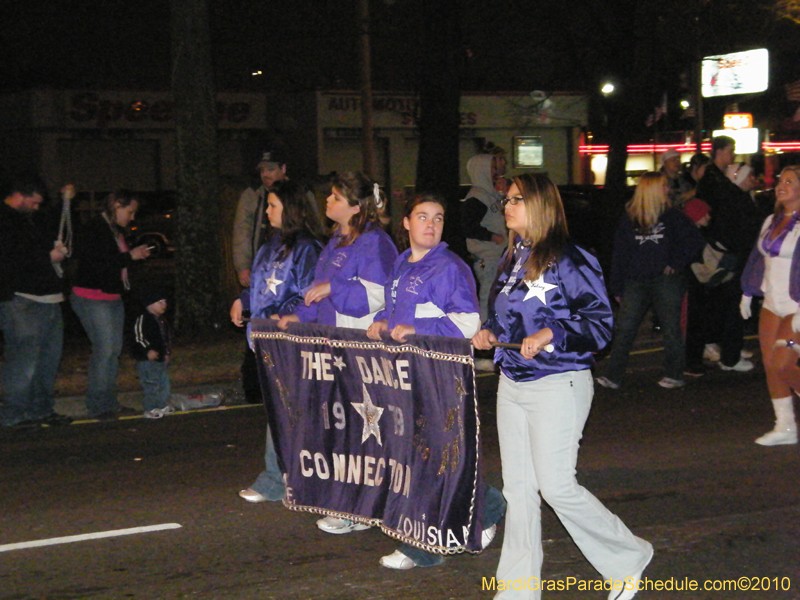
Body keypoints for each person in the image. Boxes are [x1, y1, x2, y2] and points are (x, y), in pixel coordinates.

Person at [472, 173, 653, 600]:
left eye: (517, 199)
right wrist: (489, 332)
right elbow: (506, 315)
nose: (507, 207)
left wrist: (551, 333)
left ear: (540, 204)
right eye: (507, 200)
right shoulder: (514, 256)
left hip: (558, 383)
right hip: (513, 382)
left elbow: (600, 324)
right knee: (519, 490)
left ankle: (628, 557)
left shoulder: (571, 257)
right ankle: (517, 590)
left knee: (556, 487)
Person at [366, 193, 505, 569]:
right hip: (406, 376)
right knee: (418, 458)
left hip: (440, 378)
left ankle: (427, 545)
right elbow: (399, 314)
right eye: (423, 217)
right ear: (407, 223)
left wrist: (416, 329)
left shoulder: (449, 267)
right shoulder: (401, 263)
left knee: (432, 459)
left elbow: (468, 323)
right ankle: (485, 507)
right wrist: (382, 321)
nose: (431, 224)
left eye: (438, 218)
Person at [278, 171, 398, 532]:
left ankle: (361, 506)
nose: (327, 202)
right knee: (344, 427)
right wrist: (299, 317)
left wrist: (335, 287)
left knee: (366, 431)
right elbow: (319, 291)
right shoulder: (336, 241)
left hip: (363, 351)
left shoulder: (375, 243)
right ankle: (355, 504)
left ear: (356, 207)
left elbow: (378, 296)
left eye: (335, 197)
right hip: (336, 347)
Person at [230, 179, 325, 502]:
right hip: (268, 340)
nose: (267, 211)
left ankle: (278, 479)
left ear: (291, 208)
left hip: (289, 341)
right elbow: (261, 283)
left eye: (273, 205)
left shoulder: (307, 248)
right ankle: (292, 478)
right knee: (283, 410)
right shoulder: (271, 244)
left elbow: (310, 294)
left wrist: (282, 316)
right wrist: (243, 299)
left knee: (286, 411)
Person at [597, 172, 704, 390]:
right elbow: (620, 253)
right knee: (625, 328)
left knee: (671, 327)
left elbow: (694, 240)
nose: (668, 190)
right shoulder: (631, 217)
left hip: (665, 279)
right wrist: (617, 286)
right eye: (664, 186)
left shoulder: (672, 216)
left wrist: (675, 262)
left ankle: (674, 373)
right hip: (635, 280)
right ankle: (613, 376)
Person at [70, 190, 150, 420]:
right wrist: (129, 256)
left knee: (112, 351)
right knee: (104, 351)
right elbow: (98, 263)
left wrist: (131, 259)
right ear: (116, 205)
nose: (132, 217)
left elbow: (114, 264)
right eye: (130, 212)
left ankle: (108, 402)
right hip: (92, 296)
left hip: (111, 297)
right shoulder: (96, 228)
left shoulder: (114, 230)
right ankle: (98, 404)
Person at [0, 177, 72, 428]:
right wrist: (47, 257)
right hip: (22, 299)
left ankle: (41, 409)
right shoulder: (5, 220)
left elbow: (49, 224)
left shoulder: (29, 219)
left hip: (49, 296)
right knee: (23, 360)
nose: (36, 207)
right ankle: (13, 413)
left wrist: (64, 202)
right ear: (19, 195)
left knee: (48, 360)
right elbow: (11, 258)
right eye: (34, 202)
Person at [740, 165, 800, 446]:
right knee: (770, 365)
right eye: (780, 181)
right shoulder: (770, 220)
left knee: (783, 363)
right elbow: (758, 258)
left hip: (795, 305)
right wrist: (748, 292)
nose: (781, 186)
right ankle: (785, 427)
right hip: (771, 303)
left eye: (789, 181)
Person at [696, 136, 762, 372]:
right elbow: (731, 226)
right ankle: (729, 355)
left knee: (727, 304)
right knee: (730, 304)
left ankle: (728, 349)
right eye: (730, 150)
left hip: (731, 254)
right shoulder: (721, 188)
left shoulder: (727, 189)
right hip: (731, 255)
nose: (732, 154)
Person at [460, 153, 507, 323]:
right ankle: (484, 328)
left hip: (496, 256)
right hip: (487, 257)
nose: (496, 171)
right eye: (492, 168)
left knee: (496, 294)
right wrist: (493, 237)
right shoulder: (476, 197)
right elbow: (468, 227)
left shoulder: (490, 194)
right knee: (487, 295)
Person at [131, 285, 175, 419]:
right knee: (151, 384)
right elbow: (138, 337)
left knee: (164, 383)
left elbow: (165, 339)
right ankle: (150, 408)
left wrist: (166, 353)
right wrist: (147, 350)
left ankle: (162, 404)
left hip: (160, 359)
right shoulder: (143, 319)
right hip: (147, 360)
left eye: (165, 302)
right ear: (149, 304)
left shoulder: (162, 321)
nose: (164, 305)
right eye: (159, 302)